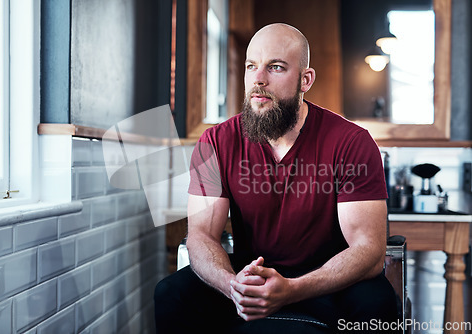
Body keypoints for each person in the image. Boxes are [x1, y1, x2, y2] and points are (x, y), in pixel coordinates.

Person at [155, 23, 399, 333]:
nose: (259, 78)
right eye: (251, 66)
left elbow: (369, 250)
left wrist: (293, 289)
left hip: (328, 279)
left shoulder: (352, 142)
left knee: (377, 305)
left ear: (305, 80)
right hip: (252, 272)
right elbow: (201, 235)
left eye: (276, 67)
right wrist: (232, 285)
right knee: (171, 294)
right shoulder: (216, 141)